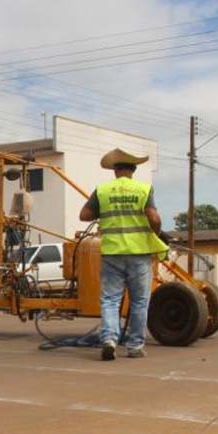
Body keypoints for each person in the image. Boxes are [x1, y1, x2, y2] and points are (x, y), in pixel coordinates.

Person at [79, 148, 168, 361]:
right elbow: (154, 218)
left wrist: (106, 211)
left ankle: (109, 340)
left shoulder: (103, 190)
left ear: (115, 171)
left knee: (110, 299)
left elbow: (84, 215)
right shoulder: (143, 189)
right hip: (138, 253)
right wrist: (154, 235)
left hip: (112, 252)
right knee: (139, 301)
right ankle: (135, 346)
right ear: (134, 170)